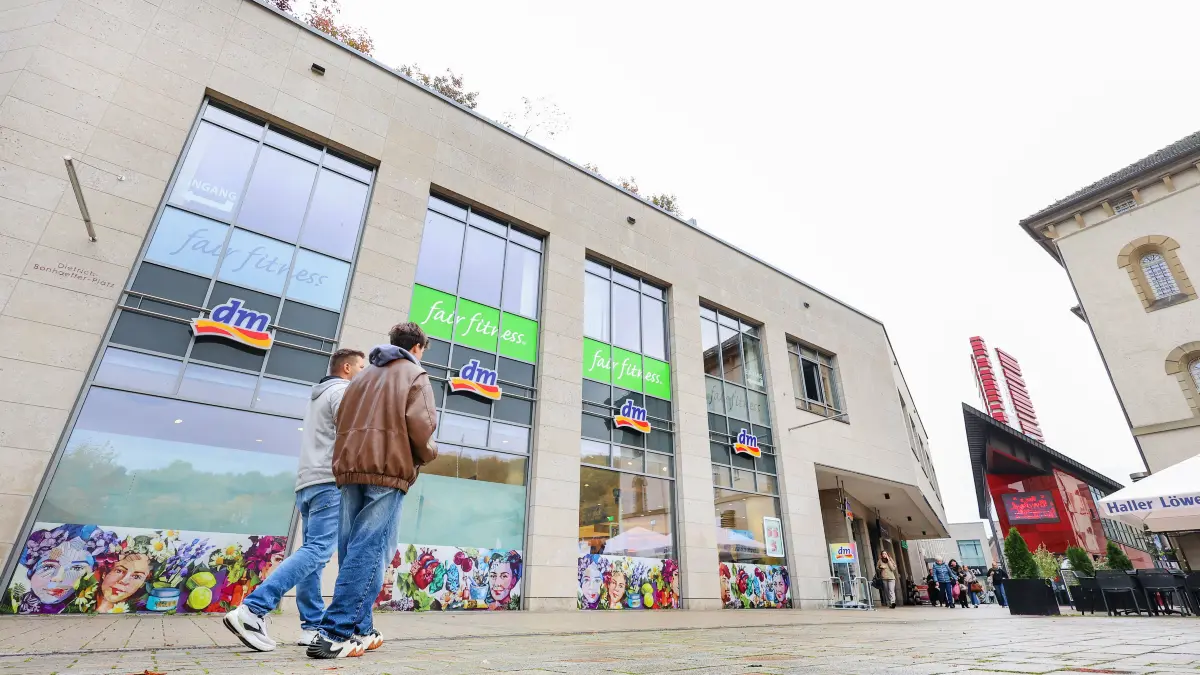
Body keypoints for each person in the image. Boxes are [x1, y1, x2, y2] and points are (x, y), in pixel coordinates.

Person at [307, 324, 437, 659]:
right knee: (370, 548)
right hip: (388, 469)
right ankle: (334, 632)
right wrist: (426, 455)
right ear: (418, 347)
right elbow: (423, 427)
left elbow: (342, 420)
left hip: (351, 467)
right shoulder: (414, 373)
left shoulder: (361, 377)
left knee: (354, 548)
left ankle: (360, 629)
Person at [225, 348, 365, 652]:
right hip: (329, 481)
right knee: (318, 551)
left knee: (312, 555)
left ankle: (312, 626)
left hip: (308, 483)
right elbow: (353, 436)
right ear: (346, 367)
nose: (362, 374)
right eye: (360, 368)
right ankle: (252, 610)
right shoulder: (342, 392)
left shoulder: (317, 396)